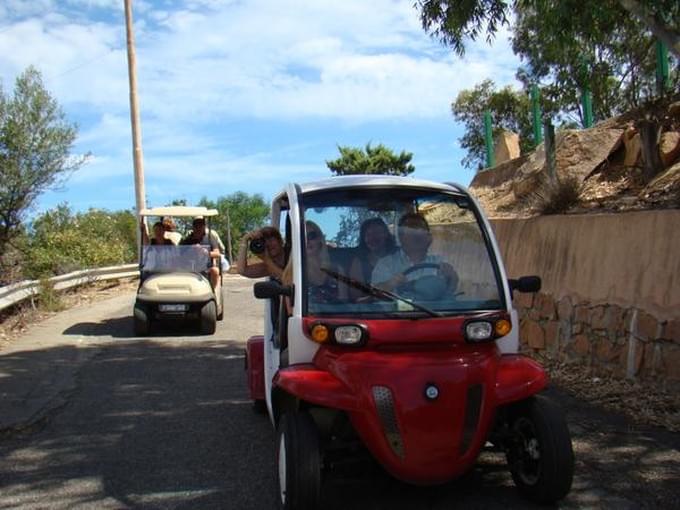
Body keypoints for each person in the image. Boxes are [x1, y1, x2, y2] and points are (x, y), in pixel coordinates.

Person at [371, 212, 458, 293]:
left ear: (428, 237)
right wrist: (390, 284)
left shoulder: (439, 262)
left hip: (433, 309)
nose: (417, 234)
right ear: (401, 237)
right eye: (411, 231)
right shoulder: (386, 264)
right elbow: (375, 294)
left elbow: (450, 292)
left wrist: (452, 277)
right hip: (397, 309)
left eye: (421, 230)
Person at [348, 217, 396, 300]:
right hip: (371, 310)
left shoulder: (399, 256)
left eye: (377, 233)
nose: (372, 238)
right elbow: (356, 296)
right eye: (368, 235)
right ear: (364, 239)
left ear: (386, 234)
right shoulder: (359, 261)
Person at [180, 217, 224, 288]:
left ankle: (212, 293)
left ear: (204, 227)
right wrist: (190, 250)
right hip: (190, 267)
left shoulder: (209, 238)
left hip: (206, 267)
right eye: (196, 226)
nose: (198, 229)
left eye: (201, 226)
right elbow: (179, 255)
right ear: (193, 228)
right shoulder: (187, 240)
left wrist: (205, 252)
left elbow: (217, 253)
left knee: (215, 271)